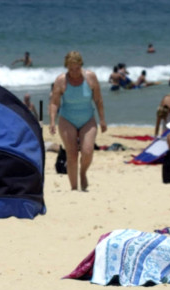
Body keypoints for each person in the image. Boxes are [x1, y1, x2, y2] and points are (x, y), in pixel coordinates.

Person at [49, 51, 107, 191]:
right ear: (66, 67)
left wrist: (102, 119)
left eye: (77, 68)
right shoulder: (61, 80)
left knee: (87, 151)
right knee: (72, 153)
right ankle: (74, 188)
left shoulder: (90, 78)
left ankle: (83, 173)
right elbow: (54, 102)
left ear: (81, 65)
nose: (74, 72)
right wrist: (52, 121)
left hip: (87, 119)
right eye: (71, 69)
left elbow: (98, 100)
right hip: (67, 119)